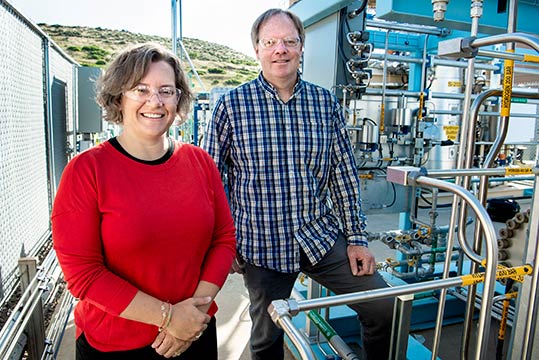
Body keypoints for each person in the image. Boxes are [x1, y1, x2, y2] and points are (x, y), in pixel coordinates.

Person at [203, 8, 393, 360]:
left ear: (301, 47)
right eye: (271, 42)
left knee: (380, 304)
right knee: (266, 338)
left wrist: (356, 240)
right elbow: (209, 179)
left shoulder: (324, 104)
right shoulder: (231, 105)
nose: (281, 50)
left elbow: (343, 175)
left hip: (318, 236)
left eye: (290, 41)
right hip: (262, 244)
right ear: (257, 49)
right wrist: (220, 241)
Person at [51, 42, 236, 360]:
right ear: (118, 97)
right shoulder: (87, 170)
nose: (155, 101)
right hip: (117, 345)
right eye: (140, 89)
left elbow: (223, 239)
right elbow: (84, 273)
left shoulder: (200, 162)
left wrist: (192, 316)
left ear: (178, 99)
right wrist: (169, 318)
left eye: (167, 90)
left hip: (196, 331)